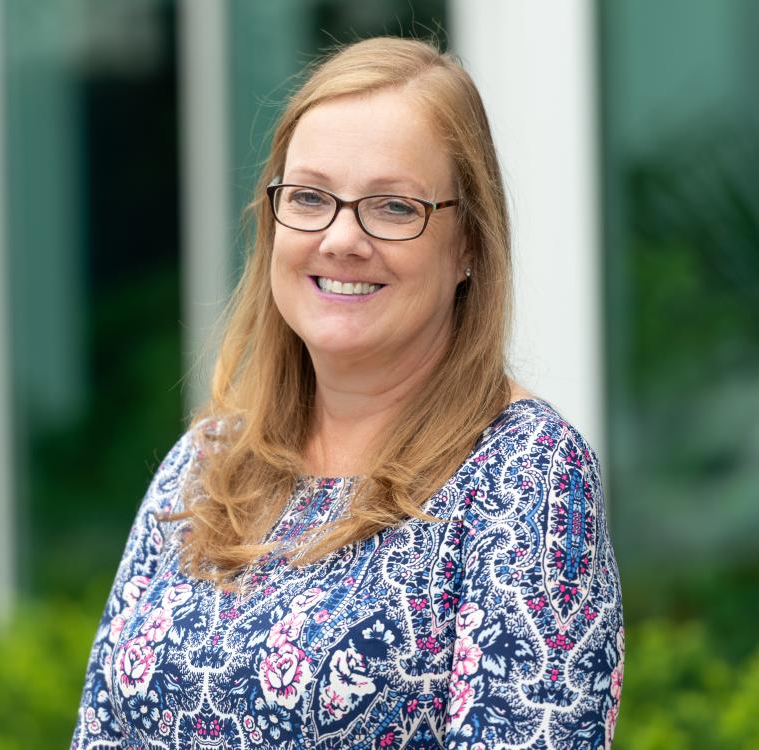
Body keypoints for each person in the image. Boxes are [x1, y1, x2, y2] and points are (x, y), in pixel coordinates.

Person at [71, 37, 624, 749]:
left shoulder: (528, 477)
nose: (340, 237)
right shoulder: (208, 462)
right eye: (309, 197)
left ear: (468, 248)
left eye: (393, 207)